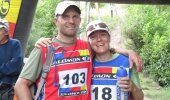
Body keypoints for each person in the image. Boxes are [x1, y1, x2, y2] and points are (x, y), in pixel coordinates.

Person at [14, 1, 143, 100]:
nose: (71, 21)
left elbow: (103, 48)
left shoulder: (87, 47)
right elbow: (20, 85)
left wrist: (128, 52)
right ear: (56, 21)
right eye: (65, 16)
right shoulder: (44, 48)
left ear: (80, 20)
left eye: (75, 16)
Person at [86, 20, 144, 100]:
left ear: (109, 38)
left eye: (103, 35)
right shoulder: (86, 64)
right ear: (88, 42)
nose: (99, 39)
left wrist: (133, 88)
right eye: (93, 37)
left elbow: (140, 98)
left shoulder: (127, 62)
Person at [0, 18, 23, 99]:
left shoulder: (14, 44)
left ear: (6, 32)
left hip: (9, 89)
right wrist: (6, 66)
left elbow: (16, 66)